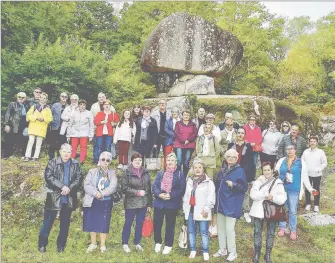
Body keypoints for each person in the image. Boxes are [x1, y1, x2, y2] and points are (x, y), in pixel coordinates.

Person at [38, 143, 83, 253]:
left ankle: (61, 246)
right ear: (60, 151)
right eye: (64, 151)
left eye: (69, 152)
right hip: (54, 196)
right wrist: (62, 186)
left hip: (68, 197)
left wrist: (69, 188)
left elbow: (79, 178)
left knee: (65, 224)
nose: (67, 154)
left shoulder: (76, 164)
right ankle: (42, 244)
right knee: (48, 222)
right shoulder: (52, 162)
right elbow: (48, 177)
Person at [213, 149, 248, 262]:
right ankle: (222, 249)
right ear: (225, 157)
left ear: (236, 158)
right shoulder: (222, 170)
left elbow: (244, 187)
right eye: (229, 156)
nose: (231, 158)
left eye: (233, 157)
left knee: (229, 229)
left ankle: (233, 252)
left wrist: (233, 184)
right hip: (221, 203)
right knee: (221, 228)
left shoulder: (240, 171)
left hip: (232, 204)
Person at [275, 145, 315, 241]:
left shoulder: (300, 162)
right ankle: (282, 227)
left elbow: (305, 177)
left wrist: (310, 189)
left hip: (294, 190)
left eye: (291, 149)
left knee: (292, 210)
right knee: (283, 208)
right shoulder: (281, 160)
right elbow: (275, 173)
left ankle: (293, 230)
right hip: (282, 189)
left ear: (295, 151)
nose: (289, 151)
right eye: (288, 149)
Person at [250, 162, 287, 263]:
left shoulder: (277, 182)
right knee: (257, 232)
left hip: (272, 211)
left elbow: (283, 198)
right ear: (262, 171)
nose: (266, 172)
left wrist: (273, 197)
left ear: (272, 170)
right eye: (264, 170)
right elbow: (253, 195)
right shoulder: (258, 181)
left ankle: (267, 255)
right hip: (258, 210)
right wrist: (264, 194)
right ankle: (257, 253)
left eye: (268, 170)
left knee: (270, 233)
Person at [83, 151, 117, 253]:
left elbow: (113, 186)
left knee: (104, 223)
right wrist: (95, 193)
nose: (105, 162)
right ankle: (93, 244)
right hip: (92, 200)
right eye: (103, 159)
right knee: (92, 222)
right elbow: (86, 185)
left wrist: (102, 193)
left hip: (105, 201)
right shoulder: (92, 171)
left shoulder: (112, 173)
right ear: (100, 160)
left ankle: (102, 245)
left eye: (108, 160)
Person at [152, 153, 186, 255]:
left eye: (172, 160)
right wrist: (159, 194)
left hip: (172, 203)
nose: (170, 162)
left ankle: (168, 245)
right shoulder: (161, 173)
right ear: (166, 162)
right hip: (159, 202)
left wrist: (170, 195)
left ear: (176, 162)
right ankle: (158, 242)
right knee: (157, 223)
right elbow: (155, 186)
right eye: (168, 160)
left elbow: (181, 190)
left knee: (170, 225)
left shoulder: (180, 174)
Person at [183, 159, 215, 261]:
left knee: (204, 232)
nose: (197, 169)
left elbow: (211, 197)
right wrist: (185, 210)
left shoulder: (208, 182)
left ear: (203, 169)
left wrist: (207, 209)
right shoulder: (189, 180)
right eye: (195, 168)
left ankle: (205, 251)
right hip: (191, 211)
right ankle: (193, 249)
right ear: (192, 169)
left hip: (202, 211)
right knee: (191, 232)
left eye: (199, 168)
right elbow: (186, 196)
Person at [121, 152, 152, 253]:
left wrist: (149, 204)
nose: (138, 162)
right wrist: (137, 192)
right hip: (131, 202)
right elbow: (124, 188)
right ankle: (125, 243)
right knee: (128, 223)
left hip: (143, 203)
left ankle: (137, 242)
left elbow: (149, 189)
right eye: (136, 160)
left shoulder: (146, 172)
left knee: (139, 223)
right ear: (132, 161)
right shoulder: (127, 172)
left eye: (140, 160)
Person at [227, 127, 255, 223]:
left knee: (245, 191)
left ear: (244, 135)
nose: (240, 135)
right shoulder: (231, 145)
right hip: (232, 170)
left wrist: (241, 171)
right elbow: (227, 159)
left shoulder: (248, 146)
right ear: (236, 134)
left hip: (244, 171)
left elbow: (250, 161)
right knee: (233, 189)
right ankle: (234, 209)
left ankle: (246, 211)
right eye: (238, 133)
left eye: (242, 133)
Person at [23, 92, 53, 161]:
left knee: (38, 143)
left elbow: (50, 119)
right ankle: (27, 156)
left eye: (45, 98)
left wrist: (44, 119)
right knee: (30, 141)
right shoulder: (34, 106)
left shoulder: (48, 109)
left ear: (46, 100)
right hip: (33, 126)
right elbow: (28, 116)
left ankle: (35, 157)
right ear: (39, 98)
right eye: (42, 97)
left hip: (42, 128)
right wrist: (35, 117)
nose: (43, 99)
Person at [302, 136, 327, 212]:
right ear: (309, 142)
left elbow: (325, 163)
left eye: (314, 141)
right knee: (307, 189)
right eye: (311, 141)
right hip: (307, 174)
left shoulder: (320, 152)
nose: (312, 143)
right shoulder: (306, 152)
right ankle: (308, 204)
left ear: (316, 143)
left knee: (316, 189)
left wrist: (320, 169)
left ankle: (316, 205)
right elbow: (302, 162)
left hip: (317, 174)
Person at [3, 92, 29, 159]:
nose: (21, 98)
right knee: (9, 140)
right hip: (12, 124)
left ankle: (21, 155)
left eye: (23, 97)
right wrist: (6, 124)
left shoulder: (26, 106)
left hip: (22, 125)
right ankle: (6, 155)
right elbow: (7, 114)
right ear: (17, 97)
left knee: (20, 140)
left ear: (25, 98)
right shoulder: (12, 104)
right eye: (19, 97)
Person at [67, 100, 94, 164]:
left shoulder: (89, 113)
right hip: (74, 133)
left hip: (84, 133)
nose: (82, 106)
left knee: (83, 147)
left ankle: (82, 160)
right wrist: (68, 135)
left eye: (84, 105)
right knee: (73, 147)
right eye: (81, 104)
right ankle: (72, 159)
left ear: (86, 106)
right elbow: (70, 124)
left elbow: (91, 125)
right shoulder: (74, 112)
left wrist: (91, 135)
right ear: (78, 105)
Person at [174, 109, 197, 175]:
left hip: (189, 145)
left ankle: (185, 176)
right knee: (179, 160)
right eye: (184, 115)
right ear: (182, 115)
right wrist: (183, 141)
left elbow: (194, 134)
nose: (186, 116)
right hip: (179, 144)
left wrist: (188, 140)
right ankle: (177, 175)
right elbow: (176, 133)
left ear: (189, 116)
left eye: (187, 115)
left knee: (186, 161)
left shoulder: (193, 124)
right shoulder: (178, 123)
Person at [48, 92, 69, 160]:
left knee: (62, 143)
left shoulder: (69, 107)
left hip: (64, 128)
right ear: (60, 97)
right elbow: (51, 114)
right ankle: (51, 156)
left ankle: (59, 156)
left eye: (65, 97)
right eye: (62, 96)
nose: (64, 98)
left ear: (67, 98)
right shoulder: (55, 105)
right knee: (52, 142)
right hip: (55, 126)